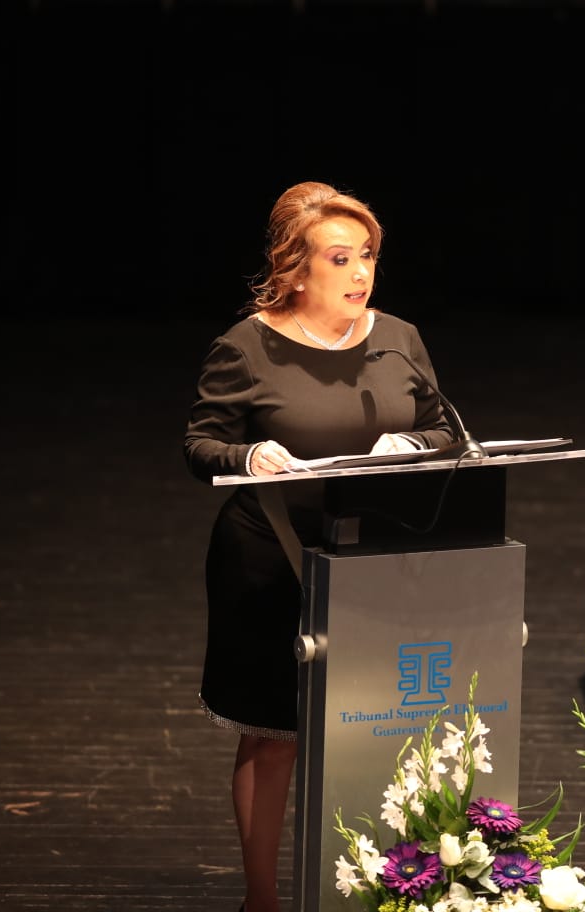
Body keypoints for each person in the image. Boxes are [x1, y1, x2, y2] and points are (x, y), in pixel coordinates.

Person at [184, 180, 455, 912]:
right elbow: (200, 443)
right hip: (271, 559)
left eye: (368, 255)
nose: (362, 272)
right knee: (276, 736)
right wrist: (247, 458)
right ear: (297, 269)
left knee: (381, 728)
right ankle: (263, 900)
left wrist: (413, 443)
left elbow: (447, 431)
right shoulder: (246, 347)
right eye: (341, 258)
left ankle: (383, 886)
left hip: (378, 559)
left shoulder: (399, 339)